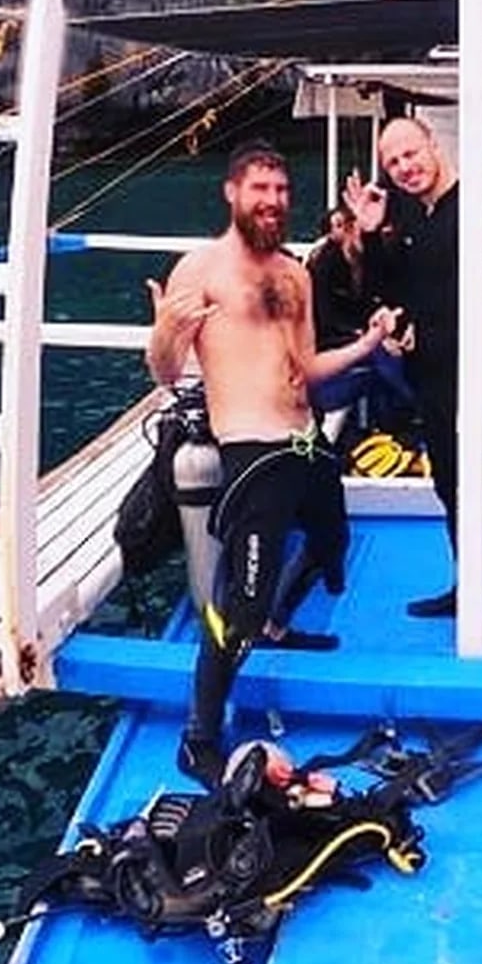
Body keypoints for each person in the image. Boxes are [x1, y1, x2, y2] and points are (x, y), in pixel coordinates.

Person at [147, 142, 402, 785]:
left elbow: (307, 368)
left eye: (282, 190)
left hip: (304, 439)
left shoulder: (294, 274)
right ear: (232, 193)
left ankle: (280, 628)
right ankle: (199, 736)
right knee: (242, 601)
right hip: (252, 450)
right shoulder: (199, 269)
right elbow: (167, 373)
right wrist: (164, 332)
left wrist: (368, 346)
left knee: (333, 544)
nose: (272, 201)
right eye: (260, 188)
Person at [345, 116, 482, 656]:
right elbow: (392, 288)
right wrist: (374, 232)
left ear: (433, 143)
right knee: (450, 490)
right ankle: (466, 587)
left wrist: (430, 337)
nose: (405, 167)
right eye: (393, 162)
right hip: (434, 380)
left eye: (410, 153)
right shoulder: (416, 217)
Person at [306, 203, 414, 425]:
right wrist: (366, 336)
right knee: (382, 356)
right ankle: (417, 406)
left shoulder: (370, 258)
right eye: (359, 229)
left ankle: (399, 420)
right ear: (347, 230)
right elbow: (325, 319)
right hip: (331, 343)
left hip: (367, 335)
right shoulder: (324, 265)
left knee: (389, 356)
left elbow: (381, 298)